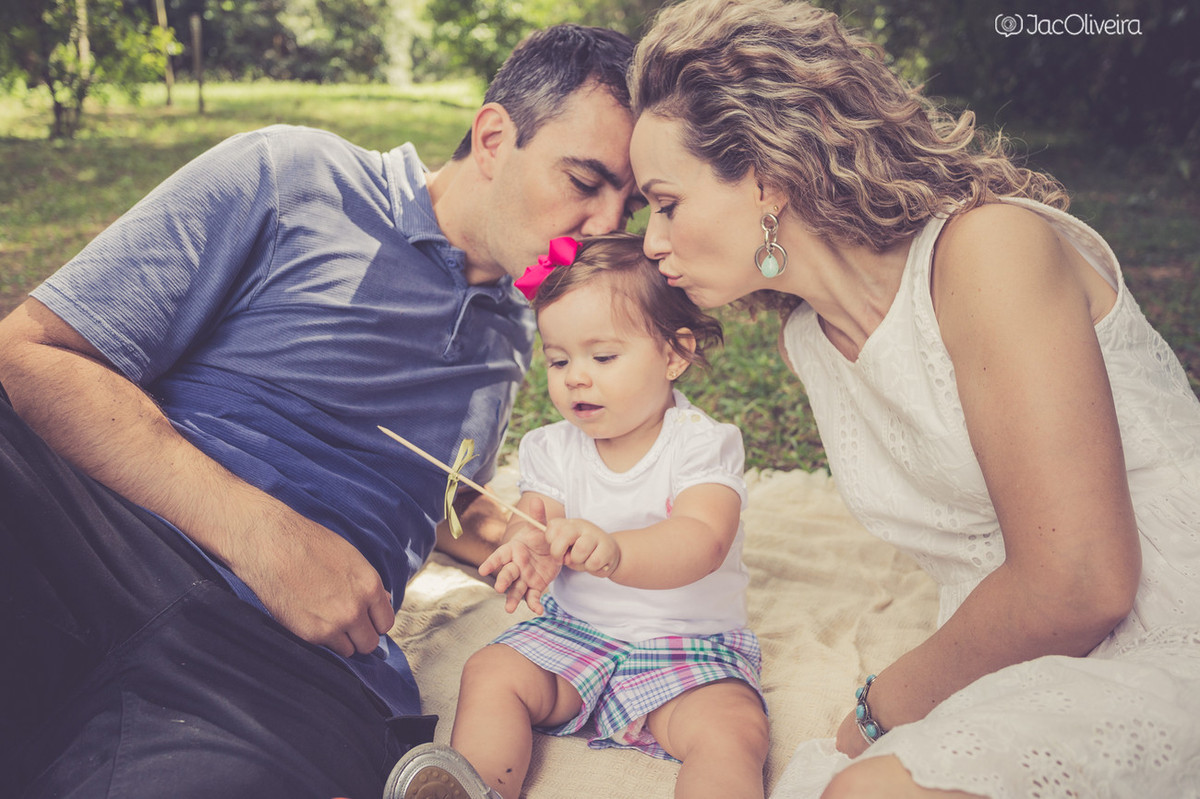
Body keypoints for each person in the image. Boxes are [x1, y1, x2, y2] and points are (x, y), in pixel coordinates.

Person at [0, 23, 642, 799]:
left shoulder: (515, 339)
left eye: (629, 202)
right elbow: (30, 354)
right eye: (584, 181)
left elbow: (431, 500)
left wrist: (525, 536)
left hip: (277, 666)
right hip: (92, 534)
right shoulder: (290, 175)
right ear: (495, 136)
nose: (608, 225)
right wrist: (264, 534)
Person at [627, 0, 1200, 797]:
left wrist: (876, 707)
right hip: (1013, 662)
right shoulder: (810, 345)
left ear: (767, 180)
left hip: (1172, 624)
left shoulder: (990, 250)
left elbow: (1081, 581)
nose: (652, 243)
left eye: (666, 201)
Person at [446, 232, 769, 799]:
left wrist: (617, 551)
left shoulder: (700, 444)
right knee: (491, 672)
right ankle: (477, 789)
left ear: (674, 354)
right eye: (558, 359)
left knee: (732, 727)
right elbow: (535, 512)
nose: (575, 376)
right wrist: (526, 543)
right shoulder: (552, 446)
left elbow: (703, 538)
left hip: (684, 646)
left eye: (603, 357)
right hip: (573, 636)